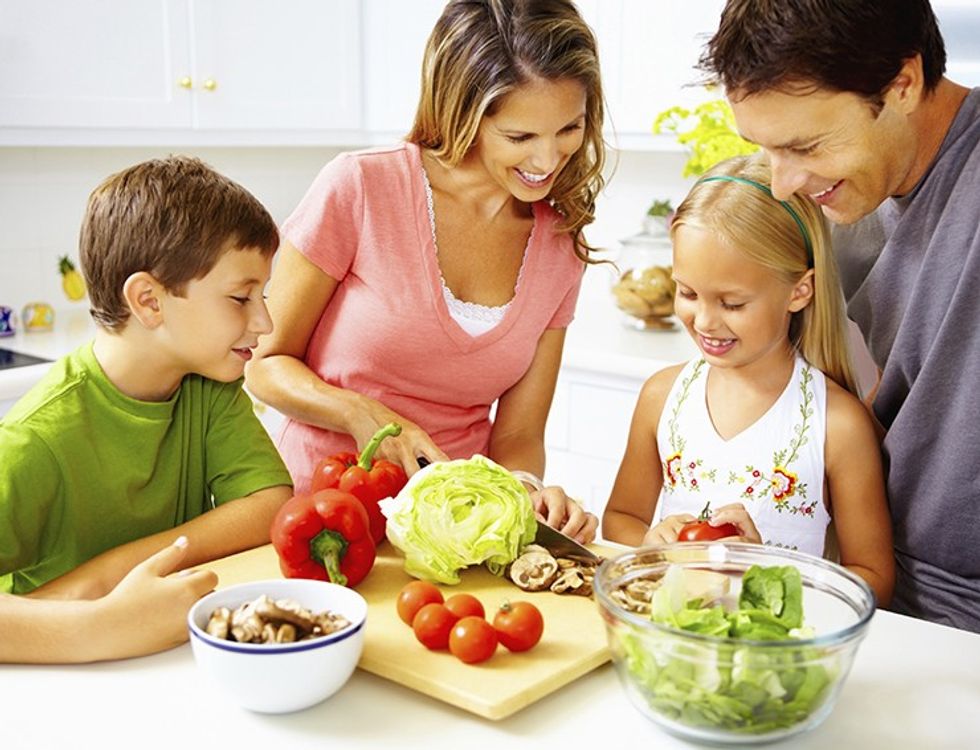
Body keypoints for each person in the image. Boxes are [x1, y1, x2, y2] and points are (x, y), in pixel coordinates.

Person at [246, 0, 604, 542]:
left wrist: (527, 492)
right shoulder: (361, 187)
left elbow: (520, 433)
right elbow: (265, 364)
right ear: (463, 113)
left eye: (569, 128)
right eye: (520, 136)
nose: (549, 158)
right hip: (318, 521)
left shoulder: (560, 244)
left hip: (452, 537)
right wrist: (358, 414)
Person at [700, 0, 979, 631]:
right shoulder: (844, 205)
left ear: (902, 84)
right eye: (766, 149)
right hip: (878, 600)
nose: (783, 183)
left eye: (805, 145)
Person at [0, 155, 294, 661]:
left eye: (262, 295)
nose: (265, 322)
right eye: (241, 298)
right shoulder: (34, 439)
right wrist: (98, 624)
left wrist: (105, 574)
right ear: (150, 301)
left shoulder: (209, 385)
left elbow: (268, 502)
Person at [602, 155, 894, 605]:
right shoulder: (662, 397)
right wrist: (652, 544)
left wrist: (768, 571)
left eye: (732, 304)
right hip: (676, 638)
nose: (703, 320)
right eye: (688, 292)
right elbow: (621, 517)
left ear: (799, 291)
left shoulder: (837, 423)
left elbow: (875, 578)